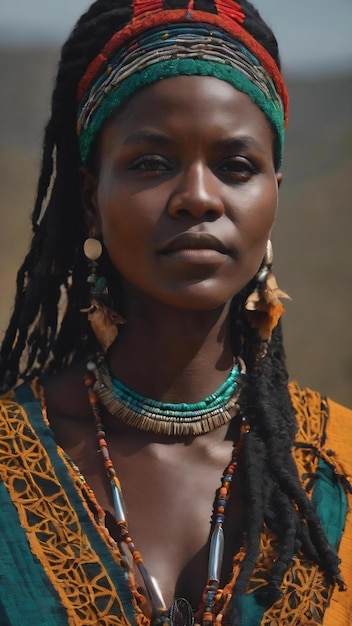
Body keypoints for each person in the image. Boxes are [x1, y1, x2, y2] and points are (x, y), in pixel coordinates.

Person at [0, 0, 351, 624]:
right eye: (151, 164)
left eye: (236, 166)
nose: (197, 197)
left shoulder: (340, 464)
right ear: (90, 198)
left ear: (275, 192)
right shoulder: (10, 456)